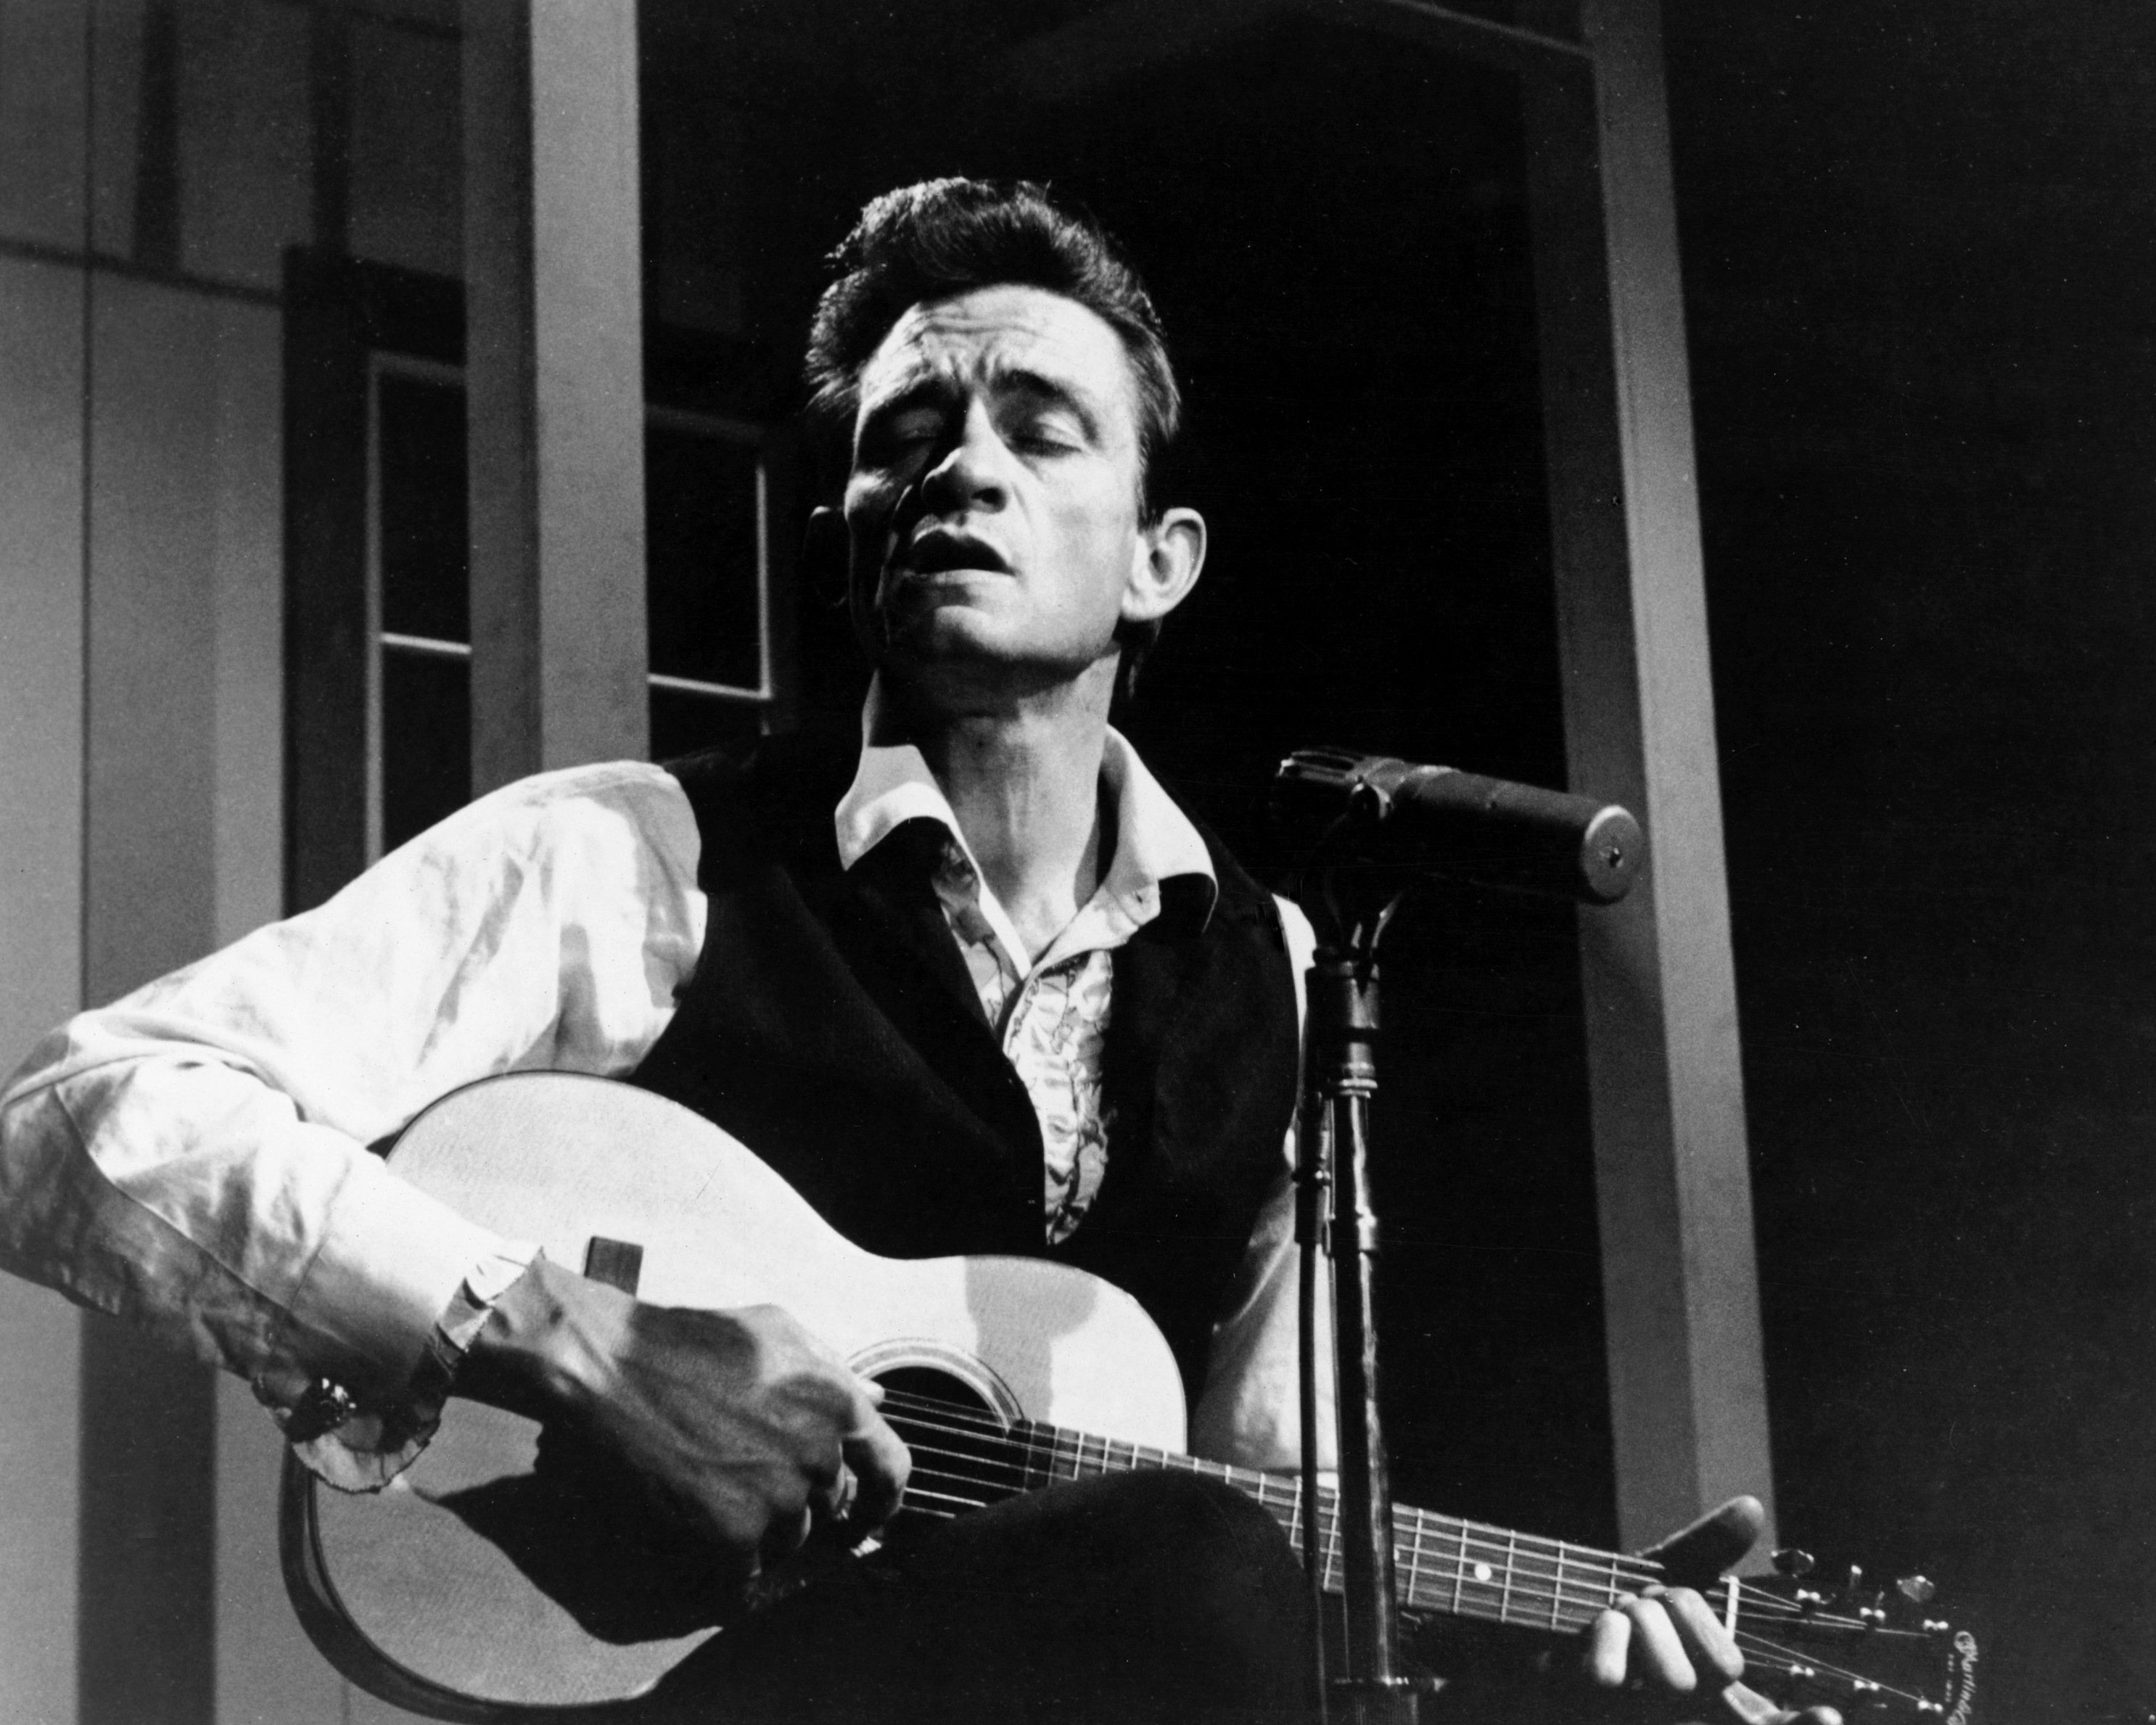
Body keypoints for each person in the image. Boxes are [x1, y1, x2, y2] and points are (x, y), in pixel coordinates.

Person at [0, 177, 1826, 1724]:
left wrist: (1530, 1650)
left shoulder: (1276, 965)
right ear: (850, 529)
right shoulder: (636, 857)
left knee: (1201, 1559)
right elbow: (77, 1109)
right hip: (697, 1686)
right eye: (904, 440)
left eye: (1040, 430)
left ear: (1161, 558)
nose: (962, 469)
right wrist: (572, 1339)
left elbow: (1273, 1527)